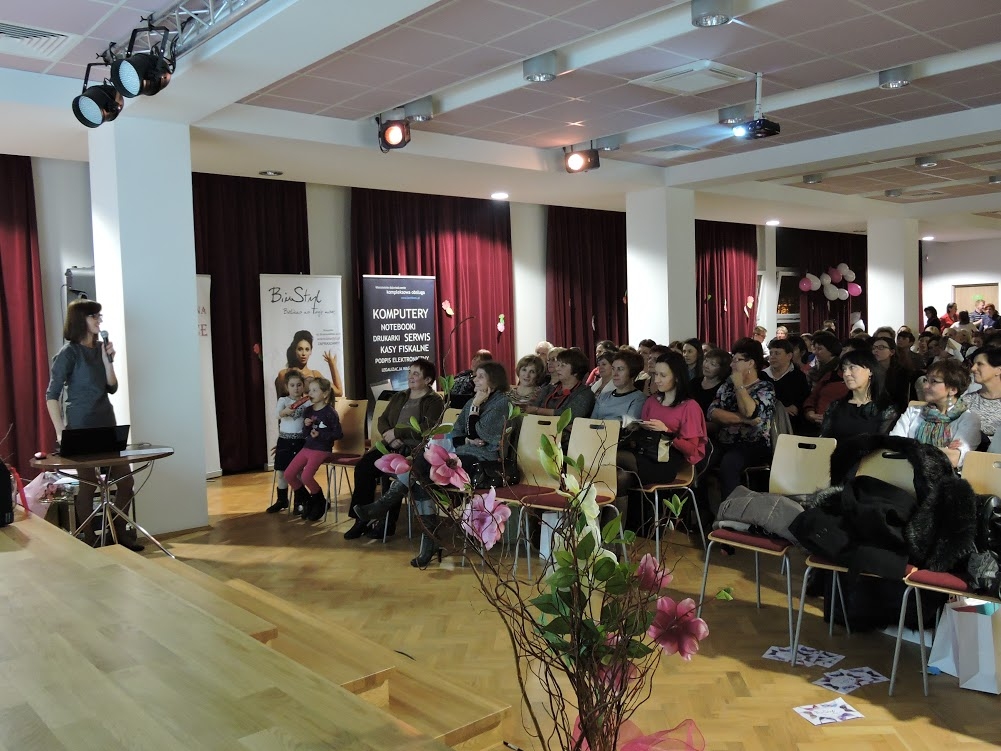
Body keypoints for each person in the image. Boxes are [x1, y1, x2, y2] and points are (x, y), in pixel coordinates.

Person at [358, 362, 513, 568]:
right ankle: (426, 539)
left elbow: (480, 434)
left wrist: (475, 410)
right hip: (461, 454)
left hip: (483, 460)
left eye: (480, 376)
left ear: (493, 380)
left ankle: (387, 509)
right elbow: (456, 433)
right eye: (475, 376)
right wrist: (467, 437)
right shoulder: (472, 401)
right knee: (421, 473)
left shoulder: (501, 403)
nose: (474, 380)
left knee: (422, 470)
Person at [44, 300, 142, 551]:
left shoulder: (101, 348)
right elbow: (51, 395)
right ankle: (89, 539)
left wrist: (108, 361)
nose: (99, 320)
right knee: (88, 485)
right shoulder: (68, 353)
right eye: (94, 316)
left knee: (126, 482)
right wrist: (60, 431)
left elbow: (112, 387)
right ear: (81, 320)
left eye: (99, 316)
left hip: (106, 422)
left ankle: (119, 531)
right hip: (80, 426)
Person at [344, 359, 444, 540]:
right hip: (390, 444)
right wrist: (389, 435)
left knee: (394, 476)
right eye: (409, 372)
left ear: (428, 380)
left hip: (415, 450)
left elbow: (427, 428)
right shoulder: (400, 396)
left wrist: (397, 433)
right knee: (363, 468)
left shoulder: (434, 401)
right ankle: (360, 520)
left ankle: (386, 524)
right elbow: (382, 420)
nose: (410, 376)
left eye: (416, 373)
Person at [618, 350, 707, 491]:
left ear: (676, 377)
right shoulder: (652, 401)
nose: (657, 380)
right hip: (645, 452)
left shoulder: (689, 407)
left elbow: (692, 450)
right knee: (620, 477)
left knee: (612, 456)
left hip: (666, 461)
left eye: (663, 375)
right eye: (655, 374)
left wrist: (666, 431)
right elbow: (644, 435)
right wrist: (636, 428)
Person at [707, 339, 776, 503]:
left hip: (753, 443)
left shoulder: (765, 388)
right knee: (701, 456)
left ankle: (731, 511)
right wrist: (745, 420)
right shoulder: (726, 386)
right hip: (723, 440)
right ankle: (698, 509)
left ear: (751, 363)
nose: (732, 364)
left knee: (729, 463)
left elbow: (750, 411)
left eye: (737, 360)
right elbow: (712, 412)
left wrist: (739, 385)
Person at [891, 359, 982, 468]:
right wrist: (942, 450)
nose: (925, 386)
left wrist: (910, 447)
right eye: (926, 380)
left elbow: (954, 459)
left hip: (946, 477)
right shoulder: (914, 411)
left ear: (953, 389)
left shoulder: (968, 418)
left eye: (933, 381)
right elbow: (893, 445)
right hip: (904, 470)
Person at [284, 377, 343, 520]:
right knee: (289, 474)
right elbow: (305, 434)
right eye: (309, 390)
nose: (310, 393)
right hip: (308, 447)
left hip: (322, 449)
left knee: (306, 476)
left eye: (315, 390)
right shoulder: (308, 410)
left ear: (325, 394)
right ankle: (308, 501)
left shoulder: (330, 412)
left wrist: (320, 435)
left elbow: (338, 434)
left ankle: (320, 501)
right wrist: (307, 425)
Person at [820, 349, 898, 440]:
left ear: (870, 371)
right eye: (844, 369)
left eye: (852, 367)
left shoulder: (886, 409)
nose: (846, 374)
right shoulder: (836, 406)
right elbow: (824, 439)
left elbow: (884, 443)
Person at [525, 348, 596, 445]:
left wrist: (538, 410)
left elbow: (567, 416)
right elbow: (530, 410)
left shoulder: (585, 393)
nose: (557, 368)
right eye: (558, 365)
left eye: (562, 365)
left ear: (576, 371)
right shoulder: (549, 389)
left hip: (566, 443)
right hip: (539, 434)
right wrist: (562, 424)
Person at [266, 370, 308, 514]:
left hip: (300, 441)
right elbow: (277, 415)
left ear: (303, 386)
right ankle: (282, 500)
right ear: (286, 387)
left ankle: (299, 502)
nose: (296, 388)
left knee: (298, 473)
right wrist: (285, 411)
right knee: (282, 472)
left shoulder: (307, 402)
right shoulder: (283, 401)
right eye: (292, 385)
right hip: (284, 441)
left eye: (299, 385)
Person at [802, 331, 848, 434]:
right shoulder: (814, 370)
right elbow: (812, 397)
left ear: (831, 350)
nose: (815, 352)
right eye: (815, 349)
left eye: (820, 349)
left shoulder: (838, 372)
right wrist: (810, 412)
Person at [275, 330, 342, 399]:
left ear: (310, 352)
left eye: (307, 349)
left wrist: (332, 365)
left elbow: (339, 392)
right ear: (295, 350)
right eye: (300, 349)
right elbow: (281, 400)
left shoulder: (315, 374)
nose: (303, 353)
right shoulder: (284, 373)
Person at [763, 337, 810, 427]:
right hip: (767, 421)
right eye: (771, 353)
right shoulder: (762, 375)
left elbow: (803, 398)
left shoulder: (798, 376)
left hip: (793, 423)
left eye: (777, 353)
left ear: (789, 356)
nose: (772, 357)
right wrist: (780, 410)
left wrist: (795, 407)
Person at [592, 350, 645, 423]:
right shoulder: (603, 397)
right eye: (613, 369)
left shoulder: (638, 398)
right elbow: (591, 423)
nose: (615, 374)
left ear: (632, 373)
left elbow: (628, 425)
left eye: (620, 369)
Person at [871, 335, 913, 414]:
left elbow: (901, 399)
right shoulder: (869, 371)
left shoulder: (902, 372)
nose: (875, 350)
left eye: (881, 347)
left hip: (894, 411)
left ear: (892, 352)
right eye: (874, 348)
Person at [967, 348, 1001, 445]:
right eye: (973, 364)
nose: (973, 368)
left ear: (998, 370)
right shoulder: (967, 400)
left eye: (980, 364)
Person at [693, 348, 730, 417]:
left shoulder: (724, 388)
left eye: (713, 364)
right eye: (706, 360)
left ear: (722, 369)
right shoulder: (694, 382)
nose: (706, 365)